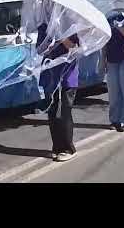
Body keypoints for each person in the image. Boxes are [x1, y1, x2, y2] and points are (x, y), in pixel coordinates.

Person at [37, 23, 79, 162]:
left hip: (67, 74)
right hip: (50, 74)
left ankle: (68, 148)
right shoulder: (44, 26)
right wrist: (48, 39)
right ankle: (57, 147)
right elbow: (40, 49)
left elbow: (74, 47)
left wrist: (60, 36)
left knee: (65, 110)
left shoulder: (71, 24)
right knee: (52, 111)